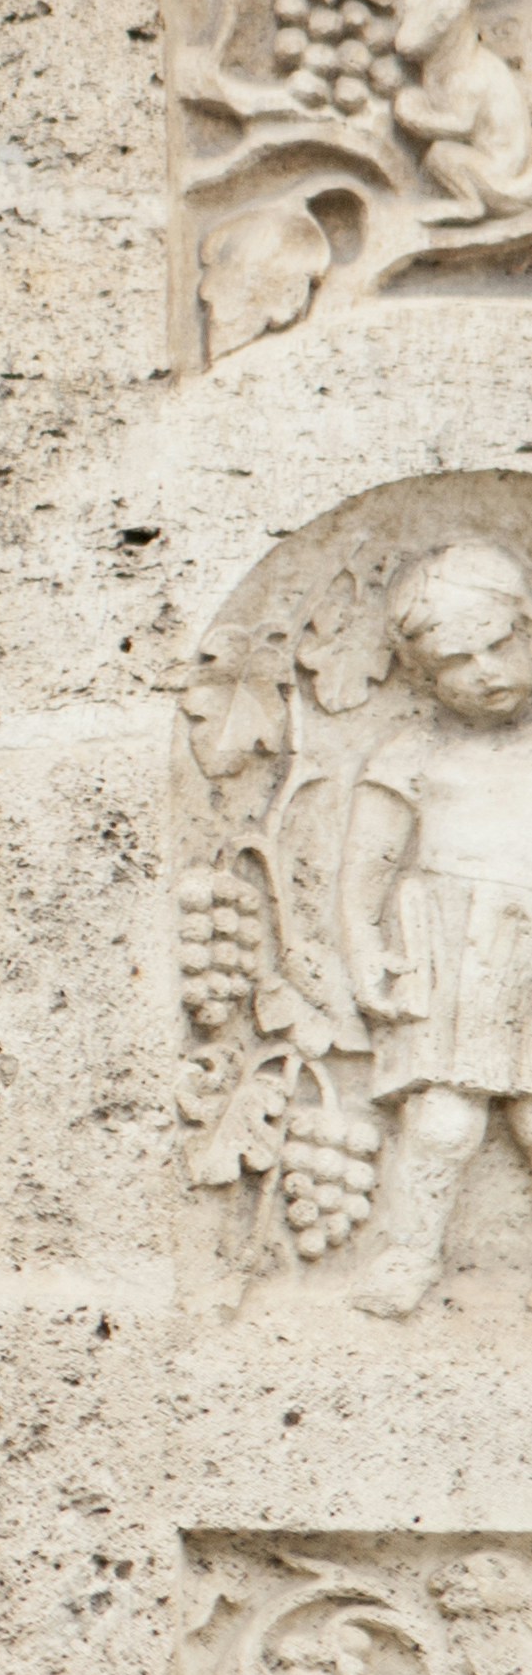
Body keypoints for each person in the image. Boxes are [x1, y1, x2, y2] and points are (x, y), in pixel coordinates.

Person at [326, 538, 532, 1314]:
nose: (486, 671)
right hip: (454, 956)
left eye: (500, 644)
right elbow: (363, 873)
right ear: (420, 672)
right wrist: (362, 944)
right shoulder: (412, 752)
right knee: (443, 1121)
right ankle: (408, 1254)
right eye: (457, 659)